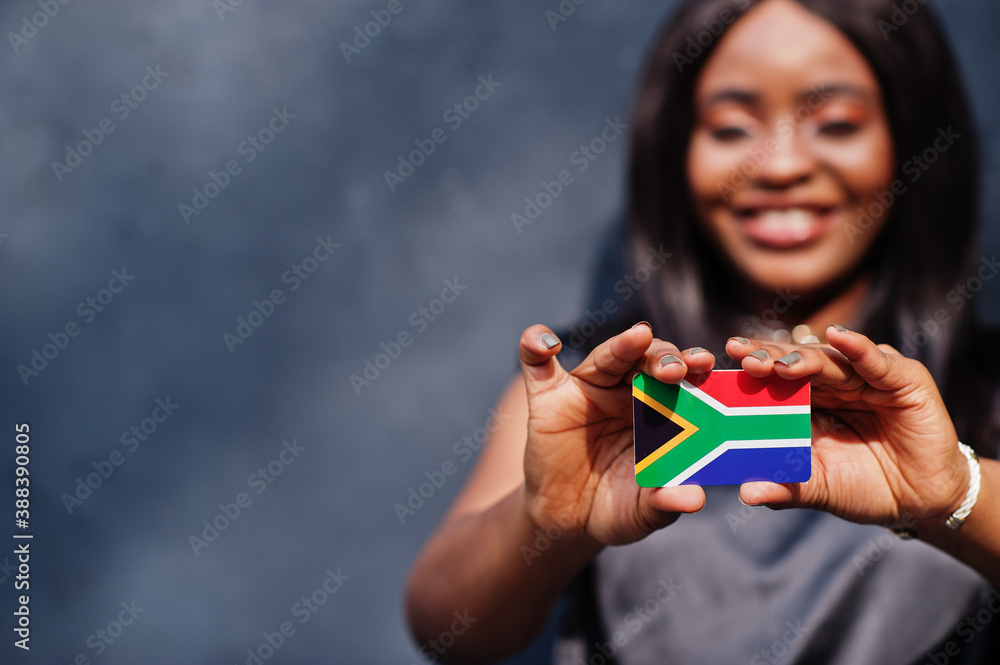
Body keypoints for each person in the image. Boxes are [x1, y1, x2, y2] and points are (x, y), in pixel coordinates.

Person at [405, 0, 1000, 663]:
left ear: (911, 143)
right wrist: (545, 523)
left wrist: (957, 494)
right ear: (677, 153)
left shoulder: (987, 385)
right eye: (729, 127)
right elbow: (446, 626)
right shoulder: (589, 393)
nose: (778, 167)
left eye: (835, 124)